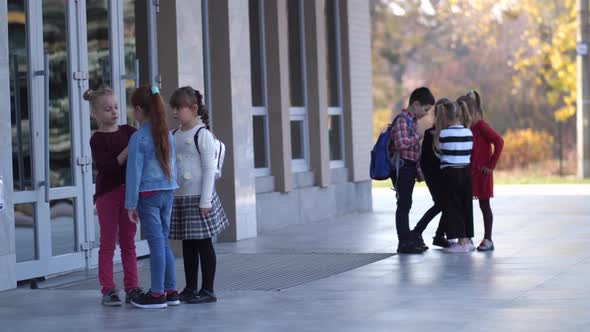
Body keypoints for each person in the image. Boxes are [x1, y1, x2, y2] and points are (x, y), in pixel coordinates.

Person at [169, 87, 229, 304]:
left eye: (178, 108)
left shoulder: (202, 134)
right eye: (173, 108)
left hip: (199, 198)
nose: (174, 113)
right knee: (188, 245)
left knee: (204, 244)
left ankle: (208, 289)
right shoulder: (174, 134)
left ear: (193, 109)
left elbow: (209, 169)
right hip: (181, 197)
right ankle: (190, 287)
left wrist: (206, 200)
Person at [86, 86, 143, 306]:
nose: (114, 112)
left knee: (129, 242)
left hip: (129, 195)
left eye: (117, 107)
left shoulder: (129, 131)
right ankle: (108, 289)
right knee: (108, 243)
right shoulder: (97, 139)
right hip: (107, 195)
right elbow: (107, 168)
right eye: (108, 109)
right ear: (95, 114)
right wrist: (128, 150)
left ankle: (132, 287)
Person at [125, 85, 180, 309]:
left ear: (139, 110)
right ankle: (171, 290)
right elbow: (173, 166)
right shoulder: (167, 134)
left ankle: (157, 295)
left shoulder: (139, 138)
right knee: (163, 242)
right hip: (168, 192)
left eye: (133, 110)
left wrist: (131, 204)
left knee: (156, 243)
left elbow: (134, 173)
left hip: (148, 195)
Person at [389, 87, 435, 254]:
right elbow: (401, 144)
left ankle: (407, 239)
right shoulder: (402, 120)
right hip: (402, 168)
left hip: (409, 168)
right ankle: (404, 242)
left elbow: (414, 151)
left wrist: (419, 171)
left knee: (406, 204)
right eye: (425, 109)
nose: (426, 114)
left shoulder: (412, 121)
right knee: (403, 205)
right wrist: (418, 136)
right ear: (415, 104)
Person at [433, 99, 475, 253]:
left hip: (450, 173)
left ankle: (460, 241)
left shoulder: (443, 134)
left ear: (445, 116)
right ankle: (467, 240)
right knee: (466, 206)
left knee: (453, 206)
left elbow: (438, 153)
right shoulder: (469, 132)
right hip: (466, 172)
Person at [465, 90, 504, 251]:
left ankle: (488, 239)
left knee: (484, 205)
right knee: (466, 205)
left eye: (466, 115)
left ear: (474, 112)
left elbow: (499, 142)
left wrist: (491, 165)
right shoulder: (468, 127)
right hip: (470, 173)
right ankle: (466, 238)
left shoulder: (482, 127)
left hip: (483, 174)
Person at [411, 99, 451, 249]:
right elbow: (425, 159)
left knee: (447, 204)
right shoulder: (430, 134)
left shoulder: (446, 134)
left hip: (444, 176)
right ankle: (417, 231)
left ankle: (439, 236)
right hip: (434, 177)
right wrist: (423, 174)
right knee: (442, 204)